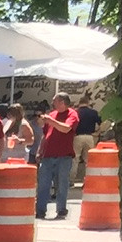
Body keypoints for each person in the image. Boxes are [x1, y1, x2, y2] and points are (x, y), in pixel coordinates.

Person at [35, 92, 79, 220]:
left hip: (64, 155)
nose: (53, 103)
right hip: (48, 155)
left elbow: (66, 129)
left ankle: (61, 209)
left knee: (61, 184)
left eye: (55, 101)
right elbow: (45, 134)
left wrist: (51, 121)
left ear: (62, 102)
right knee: (43, 183)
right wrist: (39, 150)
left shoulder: (72, 114)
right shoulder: (52, 115)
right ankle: (40, 210)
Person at [72, 96, 101, 182]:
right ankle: (89, 180)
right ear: (88, 103)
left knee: (75, 159)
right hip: (89, 136)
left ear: (79, 103)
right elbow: (102, 123)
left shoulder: (75, 112)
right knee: (89, 160)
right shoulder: (93, 112)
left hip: (77, 136)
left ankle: (71, 180)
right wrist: (97, 132)